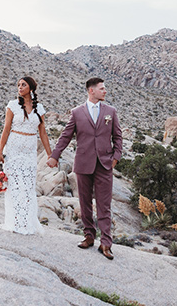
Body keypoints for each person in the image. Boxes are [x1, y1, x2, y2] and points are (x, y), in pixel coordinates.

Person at [47, 77, 123, 259]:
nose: (105, 91)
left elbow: (118, 137)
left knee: (104, 205)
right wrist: (54, 155)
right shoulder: (76, 112)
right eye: (102, 88)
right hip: (83, 164)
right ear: (91, 91)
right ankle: (89, 236)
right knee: (84, 202)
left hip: (104, 164)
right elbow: (65, 136)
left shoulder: (110, 112)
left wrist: (115, 158)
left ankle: (106, 243)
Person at [0, 76, 53, 234]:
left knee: (27, 187)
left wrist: (50, 155)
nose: (19, 87)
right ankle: (14, 223)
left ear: (31, 88)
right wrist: (0, 152)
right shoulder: (12, 106)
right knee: (14, 186)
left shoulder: (39, 108)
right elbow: (6, 130)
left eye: (23, 84)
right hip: (13, 150)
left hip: (29, 151)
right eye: (18, 85)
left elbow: (43, 132)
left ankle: (27, 223)